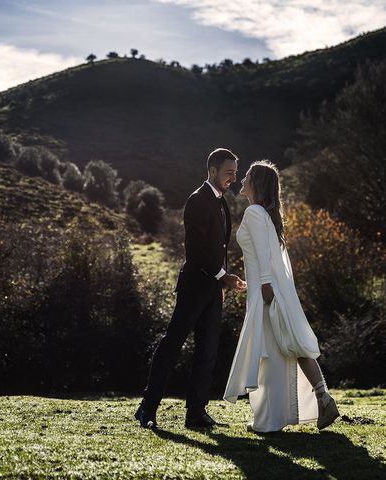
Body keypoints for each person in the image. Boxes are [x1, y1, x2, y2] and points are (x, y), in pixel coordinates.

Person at [223, 160, 339, 432]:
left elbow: (264, 253)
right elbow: (269, 256)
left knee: (271, 354)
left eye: (248, 175)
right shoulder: (266, 215)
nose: (242, 179)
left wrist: (264, 286)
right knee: (285, 347)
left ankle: (271, 419)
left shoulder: (254, 212)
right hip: (271, 289)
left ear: (257, 183)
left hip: (267, 292)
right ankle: (320, 397)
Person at [136, 148, 246, 430]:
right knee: (172, 345)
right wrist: (225, 277)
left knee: (207, 351)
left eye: (235, 172)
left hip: (213, 289)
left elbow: (219, 248)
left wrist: (220, 282)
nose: (233, 177)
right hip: (194, 287)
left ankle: (196, 413)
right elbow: (196, 250)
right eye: (228, 172)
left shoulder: (222, 202)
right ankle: (147, 408)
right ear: (212, 171)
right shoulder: (197, 200)